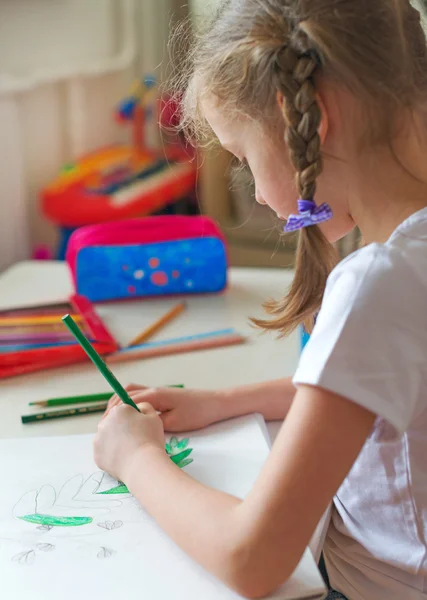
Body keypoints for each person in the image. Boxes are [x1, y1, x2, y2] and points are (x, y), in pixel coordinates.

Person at [93, 1, 427, 598]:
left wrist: (133, 459)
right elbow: (380, 396)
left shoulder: (379, 282)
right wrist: (221, 401)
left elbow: (252, 558)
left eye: (244, 159)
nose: (264, 198)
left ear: (307, 117)